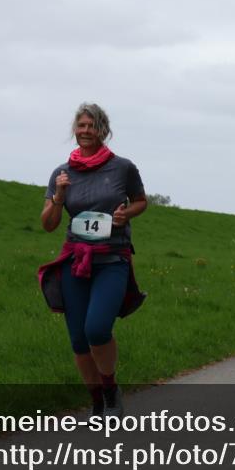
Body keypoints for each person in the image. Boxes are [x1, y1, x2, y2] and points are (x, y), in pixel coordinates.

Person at [38, 103, 148, 418]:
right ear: (75, 129)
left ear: (103, 130)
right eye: (81, 126)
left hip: (112, 258)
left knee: (97, 329)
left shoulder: (122, 167)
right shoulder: (61, 173)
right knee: (78, 338)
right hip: (76, 260)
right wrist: (59, 195)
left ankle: (111, 389)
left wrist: (126, 213)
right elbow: (48, 224)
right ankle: (97, 400)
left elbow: (141, 201)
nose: (85, 132)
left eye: (91, 126)